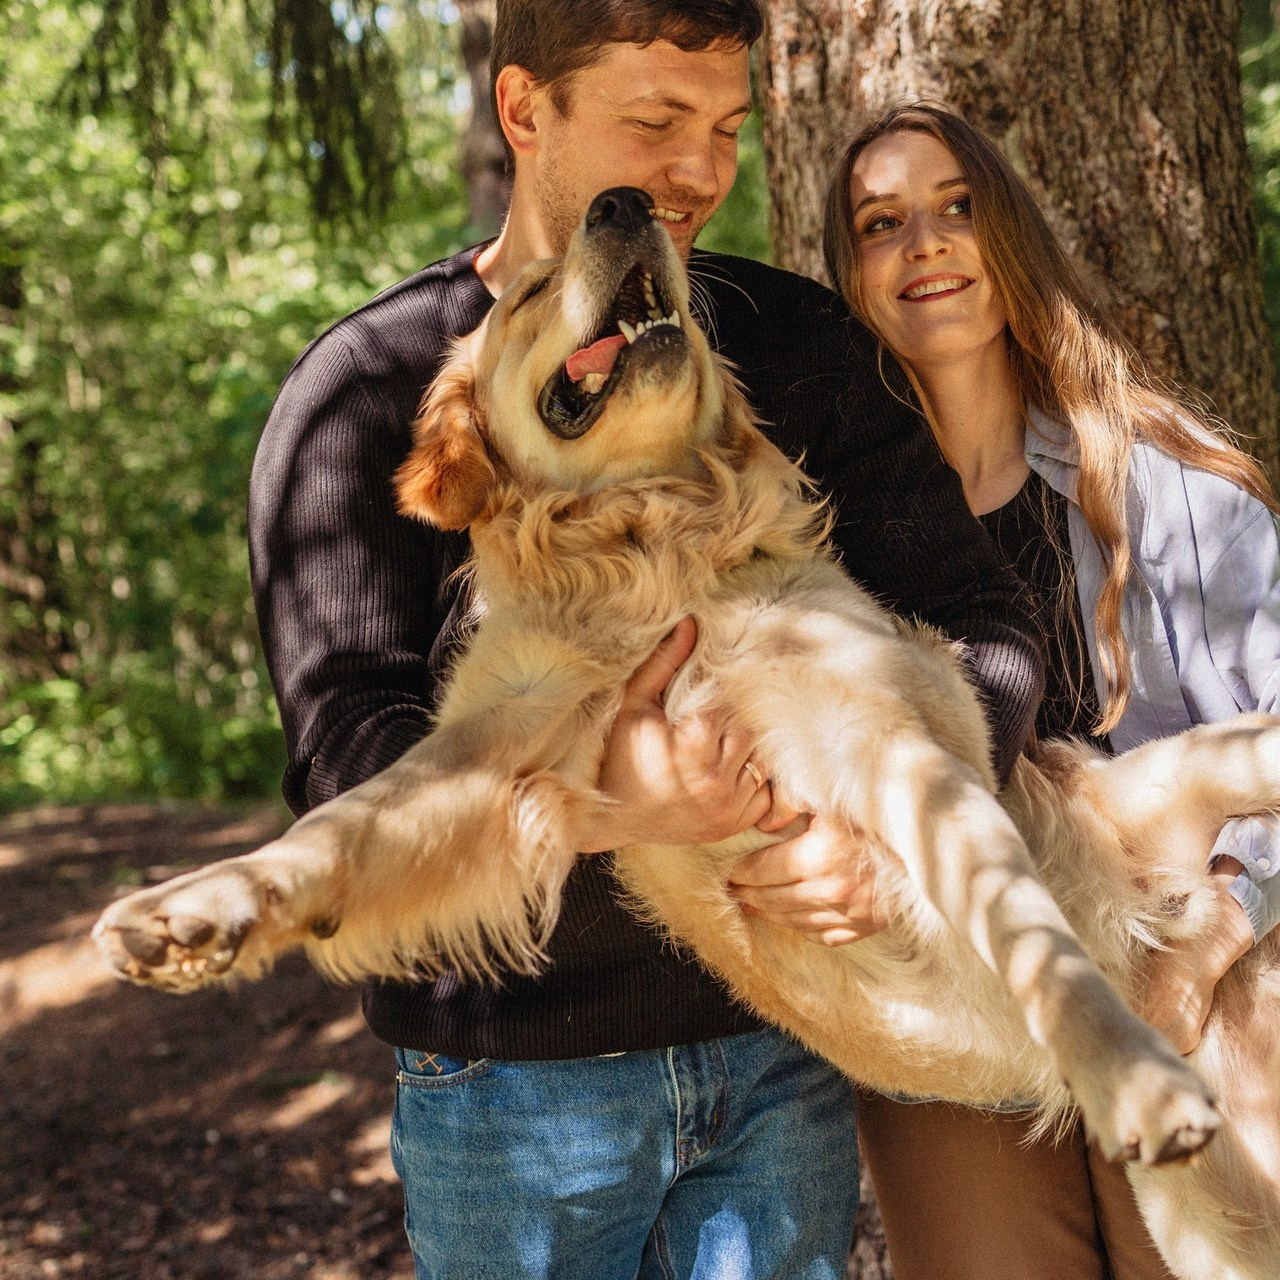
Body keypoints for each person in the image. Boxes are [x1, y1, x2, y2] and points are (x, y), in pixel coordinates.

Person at [248, 7, 1045, 1274]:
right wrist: (595, 801)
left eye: (726, 128)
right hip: (509, 1084)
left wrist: (897, 838)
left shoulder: (794, 346)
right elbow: (351, 757)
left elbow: (980, 626)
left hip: (784, 1038)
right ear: (524, 111)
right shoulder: (362, 388)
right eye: (653, 122)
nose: (699, 171)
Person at [822, 100, 1280, 1280]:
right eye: (881, 222)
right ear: (848, 276)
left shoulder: (1171, 487)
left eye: (954, 208)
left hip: (1184, 984)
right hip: (955, 1013)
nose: (923, 242)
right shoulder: (830, 543)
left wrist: (1222, 917)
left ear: (1006, 235)